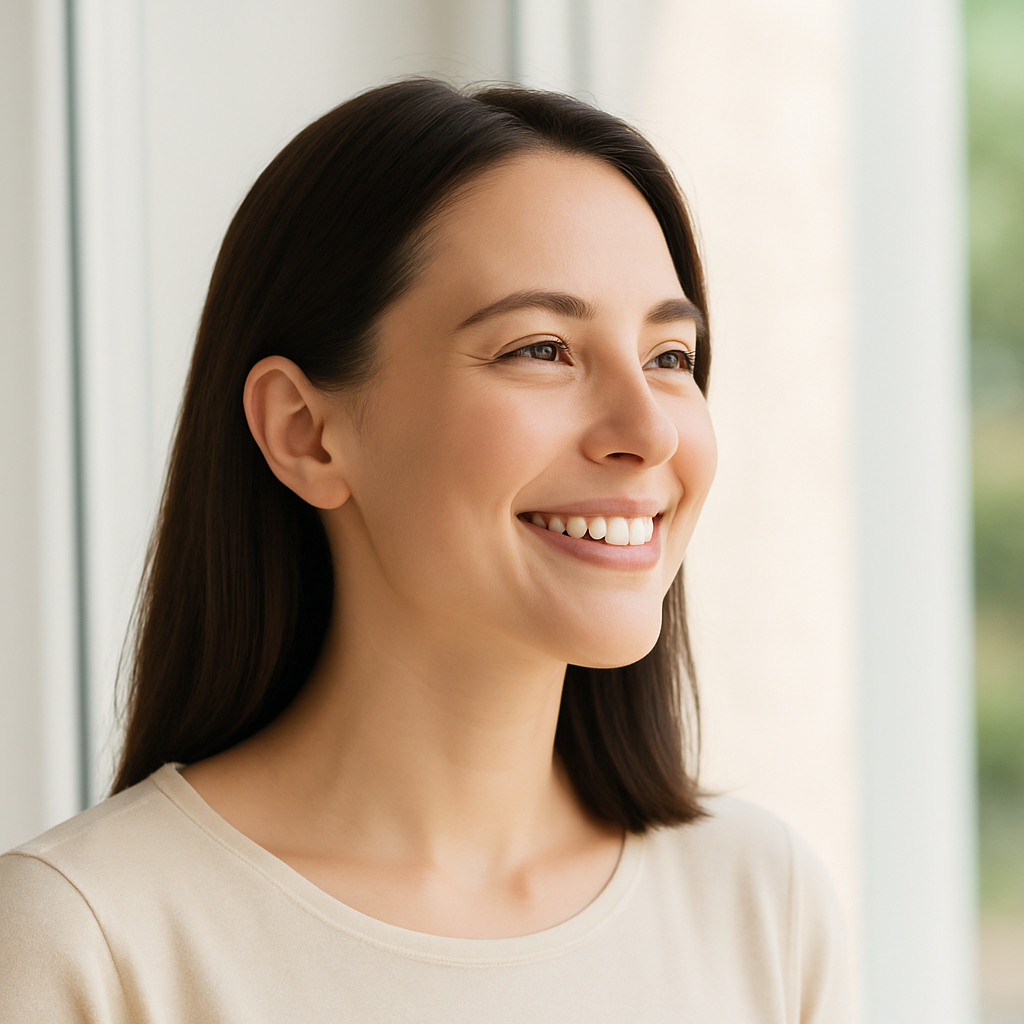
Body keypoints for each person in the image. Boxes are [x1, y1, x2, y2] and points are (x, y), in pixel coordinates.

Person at [0, 79, 850, 1022]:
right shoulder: (90, 943)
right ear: (305, 432)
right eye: (541, 350)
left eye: (670, 358)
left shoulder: (760, 904)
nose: (646, 431)